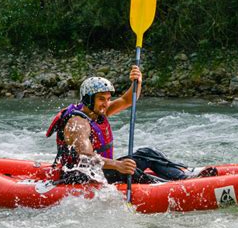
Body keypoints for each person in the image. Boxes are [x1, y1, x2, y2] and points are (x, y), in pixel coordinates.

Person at [46, 66, 214, 184]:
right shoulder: (78, 123)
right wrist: (118, 165)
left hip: (100, 170)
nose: (106, 103)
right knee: (130, 170)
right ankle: (166, 186)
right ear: (88, 99)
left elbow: (127, 100)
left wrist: (137, 81)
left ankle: (183, 177)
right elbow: (86, 157)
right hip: (80, 176)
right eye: (101, 99)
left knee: (147, 154)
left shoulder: (97, 112)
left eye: (108, 98)